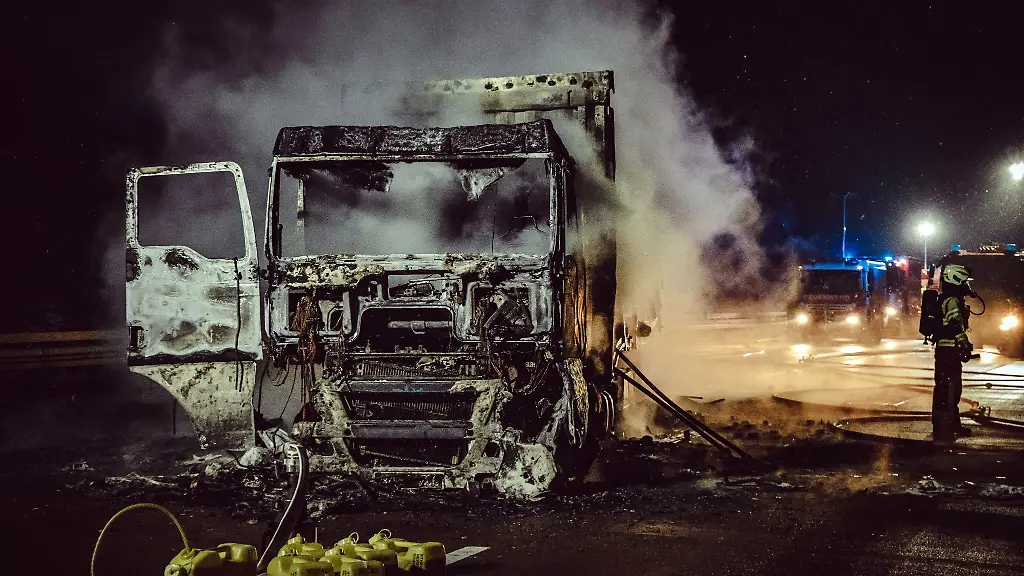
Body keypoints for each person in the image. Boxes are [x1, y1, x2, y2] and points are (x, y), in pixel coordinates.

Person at [932, 264, 974, 443]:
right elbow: (954, 324)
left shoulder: (950, 299)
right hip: (948, 351)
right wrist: (965, 343)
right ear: (956, 280)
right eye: (964, 282)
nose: (967, 286)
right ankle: (943, 428)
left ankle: (951, 424)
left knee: (952, 389)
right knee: (946, 389)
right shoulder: (951, 300)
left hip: (948, 351)